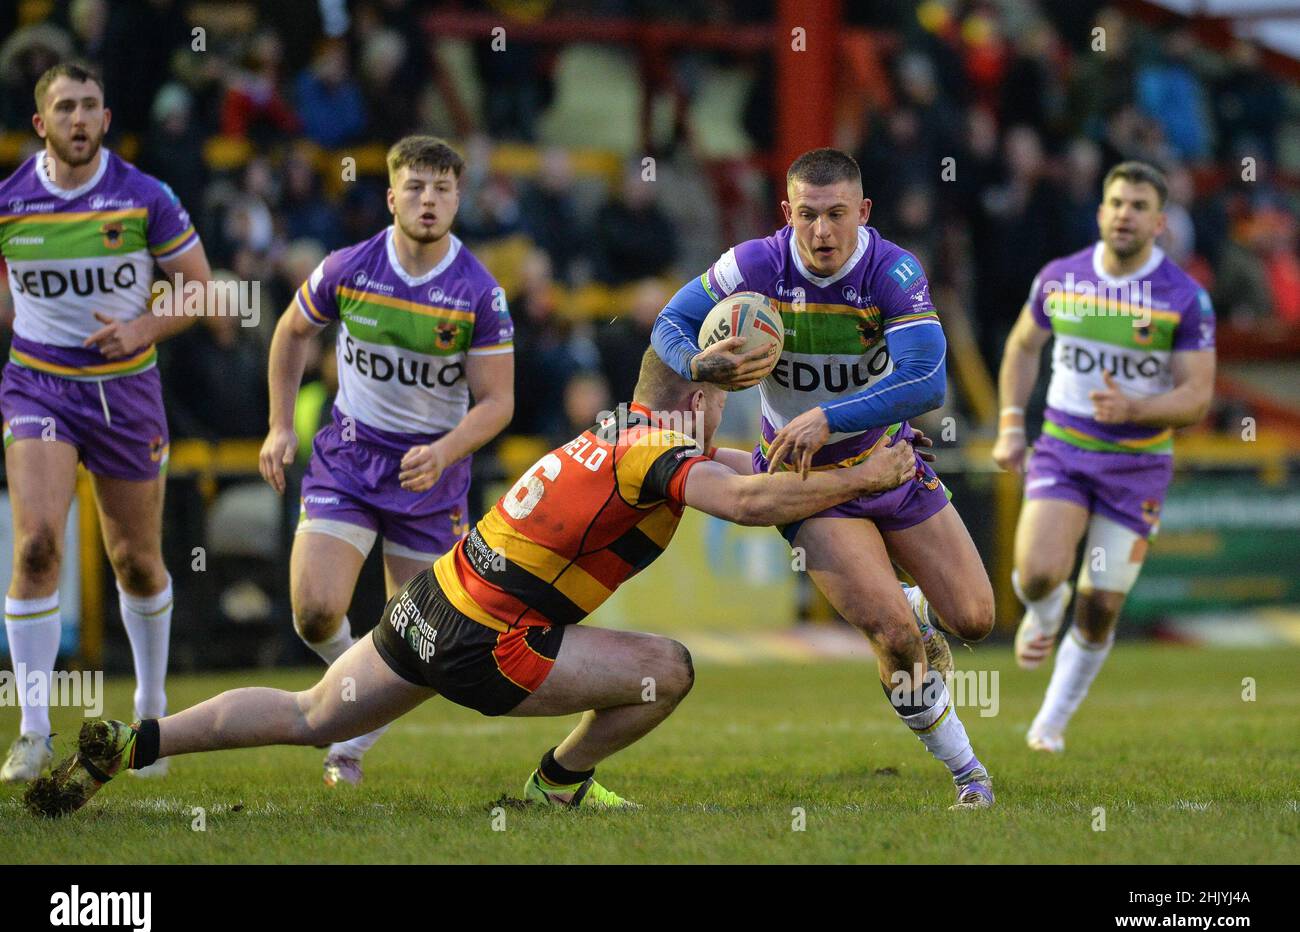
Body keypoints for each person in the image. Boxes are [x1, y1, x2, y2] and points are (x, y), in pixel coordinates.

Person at [25, 349, 923, 817]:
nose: (721, 412)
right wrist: (872, 480)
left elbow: (754, 466)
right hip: (486, 642)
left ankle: (135, 741)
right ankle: (558, 783)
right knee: (672, 667)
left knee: (311, 716)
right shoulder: (661, 453)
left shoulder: (623, 432)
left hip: (432, 604)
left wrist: (831, 460)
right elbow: (754, 500)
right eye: (720, 396)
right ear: (696, 400)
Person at [652, 148, 996, 809]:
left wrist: (827, 415)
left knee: (976, 619)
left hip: (892, 463)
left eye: (837, 215)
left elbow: (927, 379)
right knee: (893, 635)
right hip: (807, 486)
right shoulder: (754, 264)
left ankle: (920, 605)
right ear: (787, 213)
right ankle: (968, 772)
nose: (821, 233)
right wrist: (697, 361)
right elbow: (670, 321)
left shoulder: (894, 270)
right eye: (807, 215)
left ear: (862, 213)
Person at [257, 136, 515, 787]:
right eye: (417, 187)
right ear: (392, 194)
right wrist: (280, 425)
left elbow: (497, 403)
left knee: (426, 646)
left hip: (430, 473)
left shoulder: (479, 293)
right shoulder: (349, 267)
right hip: (349, 457)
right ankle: (353, 709)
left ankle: (347, 737)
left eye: (443, 189)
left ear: (459, 198)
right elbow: (290, 331)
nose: (429, 200)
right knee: (315, 609)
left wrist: (446, 449)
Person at [0, 63, 211, 782]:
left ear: (106, 117)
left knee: (136, 560)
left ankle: (149, 710)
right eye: (66, 107)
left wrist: (143, 328)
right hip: (40, 388)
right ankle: (33, 732)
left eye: (91, 105)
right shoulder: (10, 203)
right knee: (33, 544)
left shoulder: (145, 196)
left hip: (125, 393)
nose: (80, 118)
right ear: (41, 124)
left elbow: (200, 293)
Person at [991, 160, 1216, 752]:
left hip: (1137, 466)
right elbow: (1021, 347)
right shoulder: (1061, 280)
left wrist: (1136, 411)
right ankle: (1042, 613)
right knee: (1039, 573)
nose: (1125, 214)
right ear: (1100, 212)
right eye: (1116, 203)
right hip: (1064, 451)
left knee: (1099, 608)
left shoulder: (1184, 299)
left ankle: (1050, 723)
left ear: (1160, 222)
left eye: (1139, 206)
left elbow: (1196, 396)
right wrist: (1012, 425)